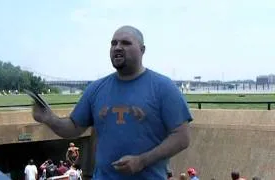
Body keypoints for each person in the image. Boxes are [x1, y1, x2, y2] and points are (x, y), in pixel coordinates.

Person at [32, 25, 192, 179]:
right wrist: (49, 119)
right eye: (113, 43)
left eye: (126, 43)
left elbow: (182, 137)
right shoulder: (96, 89)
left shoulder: (164, 87)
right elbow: (73, 128)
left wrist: (142, 161)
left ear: (142, 50)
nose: (117, 47)